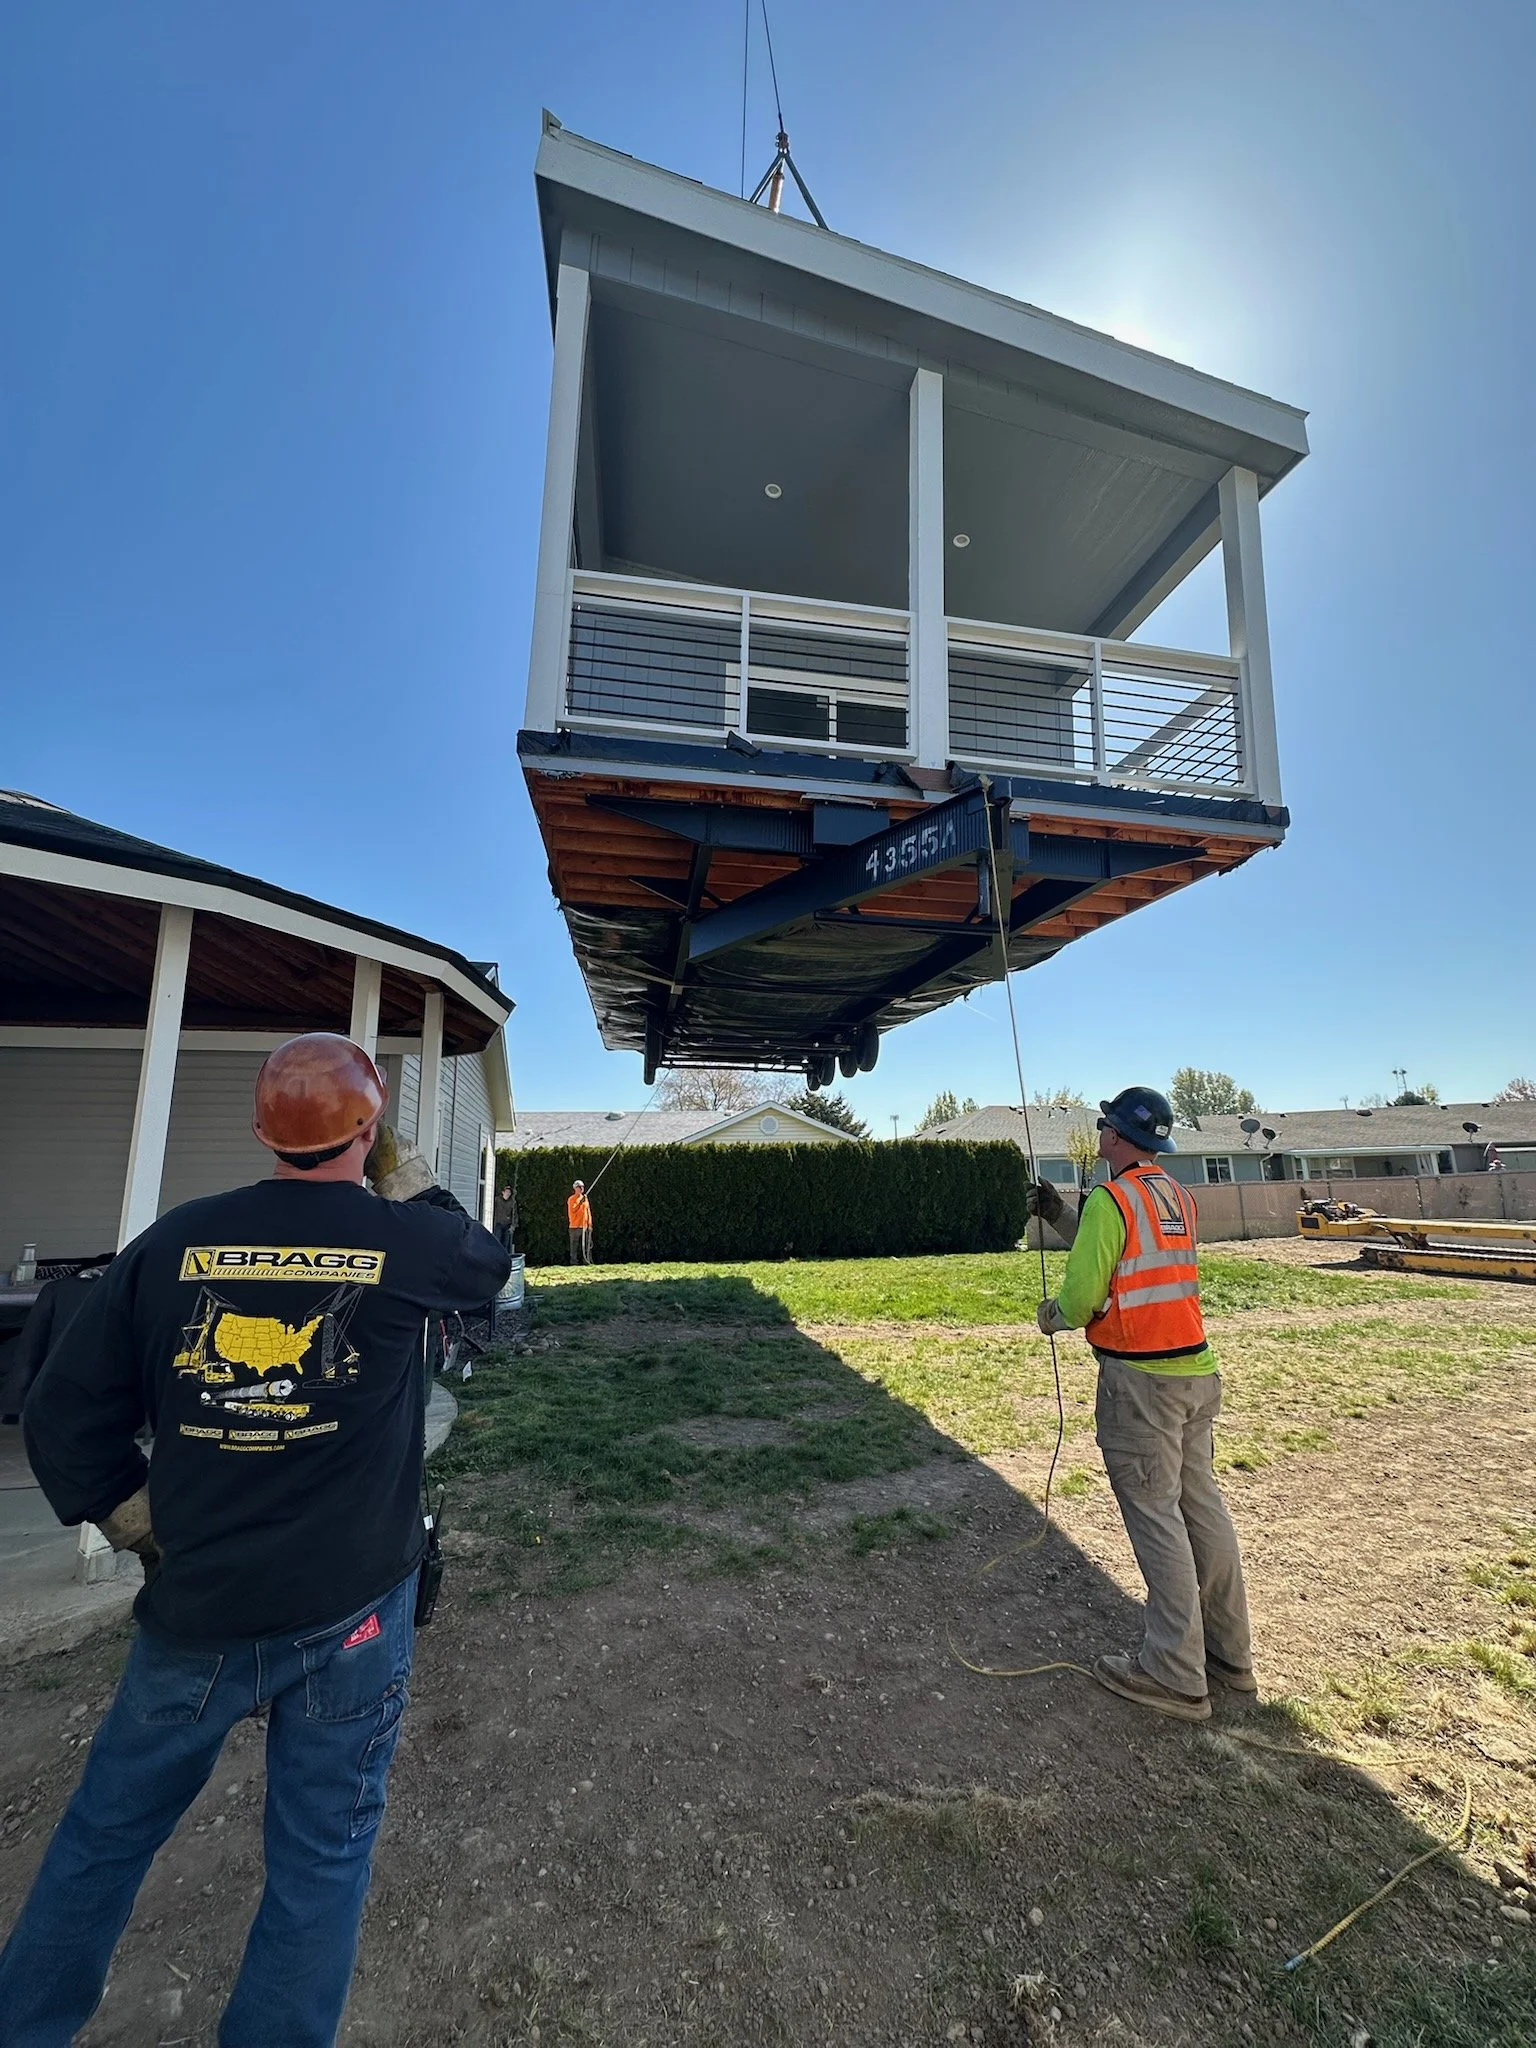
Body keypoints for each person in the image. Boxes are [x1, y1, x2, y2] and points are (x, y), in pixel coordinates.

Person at [0, 1033, 510, 2048]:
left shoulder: (172, 1243)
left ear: (261, 1130)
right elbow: (484, 1265)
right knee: (321, 1857)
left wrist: (137, 1520)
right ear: (366, 1130)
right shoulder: (400, 1240)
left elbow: (57, 1413)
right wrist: (402, 1175)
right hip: (352, 1610)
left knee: (103, 1838)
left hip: (196, 1610)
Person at [1029, 1087, 1254, 1724]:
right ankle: (1229, 1658)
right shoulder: (1171, 1193)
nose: (1098, 1128)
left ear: (1116, 1136)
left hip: (1142, 1384)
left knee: (1157, 1520)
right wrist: (1062, 1218)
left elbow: (1083, 1293)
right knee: (1201, 1510)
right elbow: (1129, 1255)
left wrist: (1055, 1317)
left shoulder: (1110, 1196)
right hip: (1195, 1371)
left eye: (1104, 1122)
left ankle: (1175, 1675)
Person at [567, 1178, 593, 1264]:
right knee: (574, 1246)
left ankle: (587, 1261)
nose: (581, 1188)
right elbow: (573, 1210)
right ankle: (573, 1262)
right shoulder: (571, 1199)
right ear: (575, 1188)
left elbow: (588, 1211)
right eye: (579, 1187)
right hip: (574, 1226)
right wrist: (580, 1202)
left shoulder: (585, 1199)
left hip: (585, 1226)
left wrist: (590, 1224)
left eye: (582, 1187)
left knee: (587, 1246)